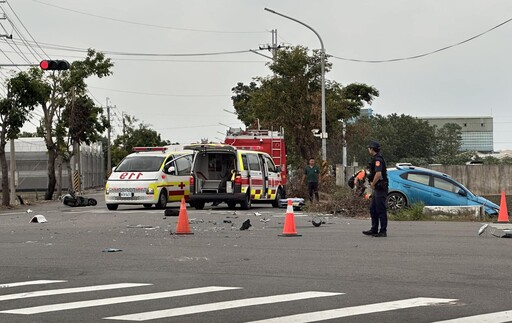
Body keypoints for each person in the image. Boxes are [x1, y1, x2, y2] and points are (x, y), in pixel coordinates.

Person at [362, 141, 388, 237]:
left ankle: (383, 231)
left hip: (380, 187)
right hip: (377, 188)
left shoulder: (378, 159)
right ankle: (374, 229)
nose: (368, 150)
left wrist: (372, 184)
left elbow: (378, 174)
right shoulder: (374, 159)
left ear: (372, 149)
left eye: (369, 148)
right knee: (373, 209)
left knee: (381, 209)